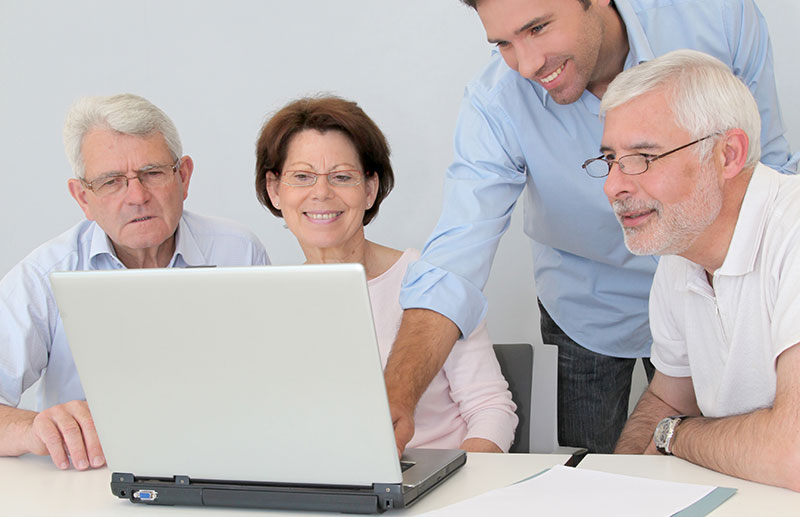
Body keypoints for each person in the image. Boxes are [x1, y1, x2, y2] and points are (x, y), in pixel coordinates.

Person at [387, 0, 798, 454]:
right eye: (503, 43)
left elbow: (764, 164)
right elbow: (455, 261)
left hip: (723, 279)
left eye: (538, 28)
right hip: (589, 304)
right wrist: (395, 398)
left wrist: (769, 288)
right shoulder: (498, 100)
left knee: (750, 448)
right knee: (592, 463)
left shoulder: (717, 16)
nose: (526, 65)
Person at [0, 93, 269, 470]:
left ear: (184, 177)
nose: (137, 196)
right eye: (111, 182)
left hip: (222, 468)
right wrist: (33, 429)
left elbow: (275, 385)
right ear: (83, 197)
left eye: (152, 173)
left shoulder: (238, 252)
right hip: (91, 478)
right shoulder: (44, 276)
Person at [255, 95, 518, 452]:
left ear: (370, 190)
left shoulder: (433, 280)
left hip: (438, 475)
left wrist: (459, 483)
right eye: (302, 176)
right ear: (275, 190)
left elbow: (491, 410)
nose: (321, 193)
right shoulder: (267, 299)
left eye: (341, 176)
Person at [595, 49, 800, 491]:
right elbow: (669, 399)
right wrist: (619, 491)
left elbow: (795, 455)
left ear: (728, 154)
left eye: (643, 157)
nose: (613, 185)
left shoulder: (793, 231)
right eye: (611, 159)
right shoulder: (680, 251)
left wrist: (676, 435)